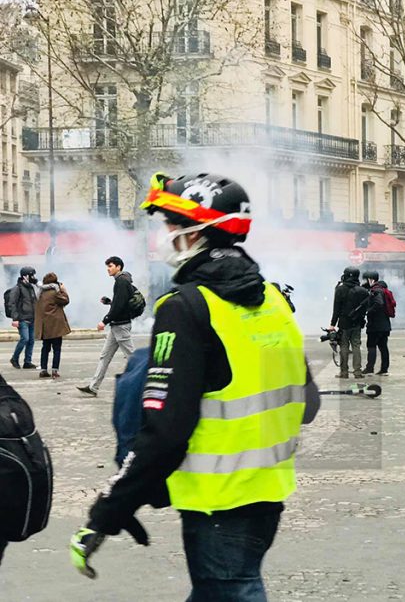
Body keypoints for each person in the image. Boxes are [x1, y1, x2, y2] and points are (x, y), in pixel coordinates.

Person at [70, 172, 320, 595]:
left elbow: (165, 431)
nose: (164, 235)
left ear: (197, 232)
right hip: (268, 492)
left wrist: (109, 510)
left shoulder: (185, 307)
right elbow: (308, 403)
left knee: (231, 589)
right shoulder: (273, 299)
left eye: (170, 225)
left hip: (215, 500)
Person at [77, 257, 136, 397]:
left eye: (110, 266)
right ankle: (93, 387)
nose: (108, 269)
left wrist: (105, 320)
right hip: (117, 326)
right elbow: (120, 303)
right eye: (107, 266)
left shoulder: (121, 281)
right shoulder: (123, 280)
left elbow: (120, 306)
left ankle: (147, 383)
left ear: (118, 267)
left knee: (133, 357)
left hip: (120, 326)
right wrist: (110, 302)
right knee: (104, 356)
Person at [330, 266, 369, 379]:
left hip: (343, 323)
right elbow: (365, 309)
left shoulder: (340, 289)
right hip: (357, 323)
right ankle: (357, 372)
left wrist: (332, 324)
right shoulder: (362, 290)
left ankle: (344, 372)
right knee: (356, 346)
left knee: (344, 347)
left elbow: (336, 308)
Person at [35, 272, 70, 379]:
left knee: (45, 348)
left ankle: (43, 370)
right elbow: (66, 300)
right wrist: (63, 290)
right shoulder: (55, 292)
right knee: (57, 349)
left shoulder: (40, 293)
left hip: (44, 326)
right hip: (55, 325)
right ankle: (55, 370)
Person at [8, 266, 39, 370]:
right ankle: (14, 358)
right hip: (22, 319)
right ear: (25, 276)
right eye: (31, 275)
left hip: (32, 318)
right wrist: (15, 318)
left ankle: (27, 362)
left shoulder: (31, 288)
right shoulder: (17, 288)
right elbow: (12, 304)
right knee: (24, 339)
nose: (33, 277)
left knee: (31, 341)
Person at [362, 270, 391, 375]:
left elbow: (379, 303)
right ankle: (384, 369)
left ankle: (370, 368)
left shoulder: (376, 290)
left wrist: (368, 312)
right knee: (383, 347)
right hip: (384, 325)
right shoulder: (383, 289)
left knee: (371, 346)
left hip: (375, 325)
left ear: (371, 279)